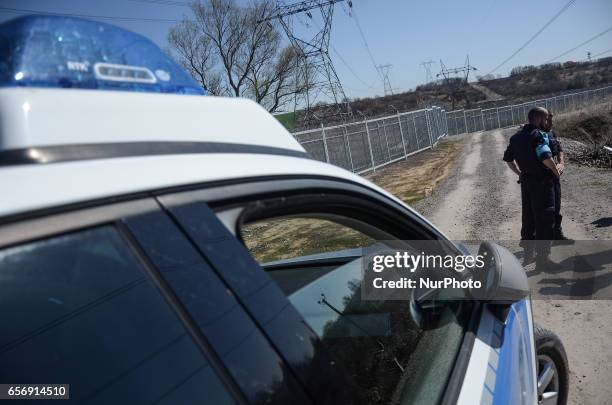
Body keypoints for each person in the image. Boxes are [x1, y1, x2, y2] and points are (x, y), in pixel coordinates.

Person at [503, 107, 561, 270]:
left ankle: (528, 254)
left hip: (527, 183)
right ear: (540, 119)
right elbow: (545, 157)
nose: (548, 122)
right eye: (546, 120)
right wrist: (556, 172)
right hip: (542, 184)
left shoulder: (516, 138)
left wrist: (520, 173)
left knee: (528, 217)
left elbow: (508, 160)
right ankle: (543, 260)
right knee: (545, 219)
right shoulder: (539, 135)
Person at [542, 111, 572, 242]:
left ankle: (557, 233)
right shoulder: (536, 135)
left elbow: (559, 149)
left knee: (557, 205)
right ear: (541, 120)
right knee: (545, 209)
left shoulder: (551, 133)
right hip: (542, 178)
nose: (551, 123)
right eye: (548, 120)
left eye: (552, 120)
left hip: (555, 176)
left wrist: (561, 163)